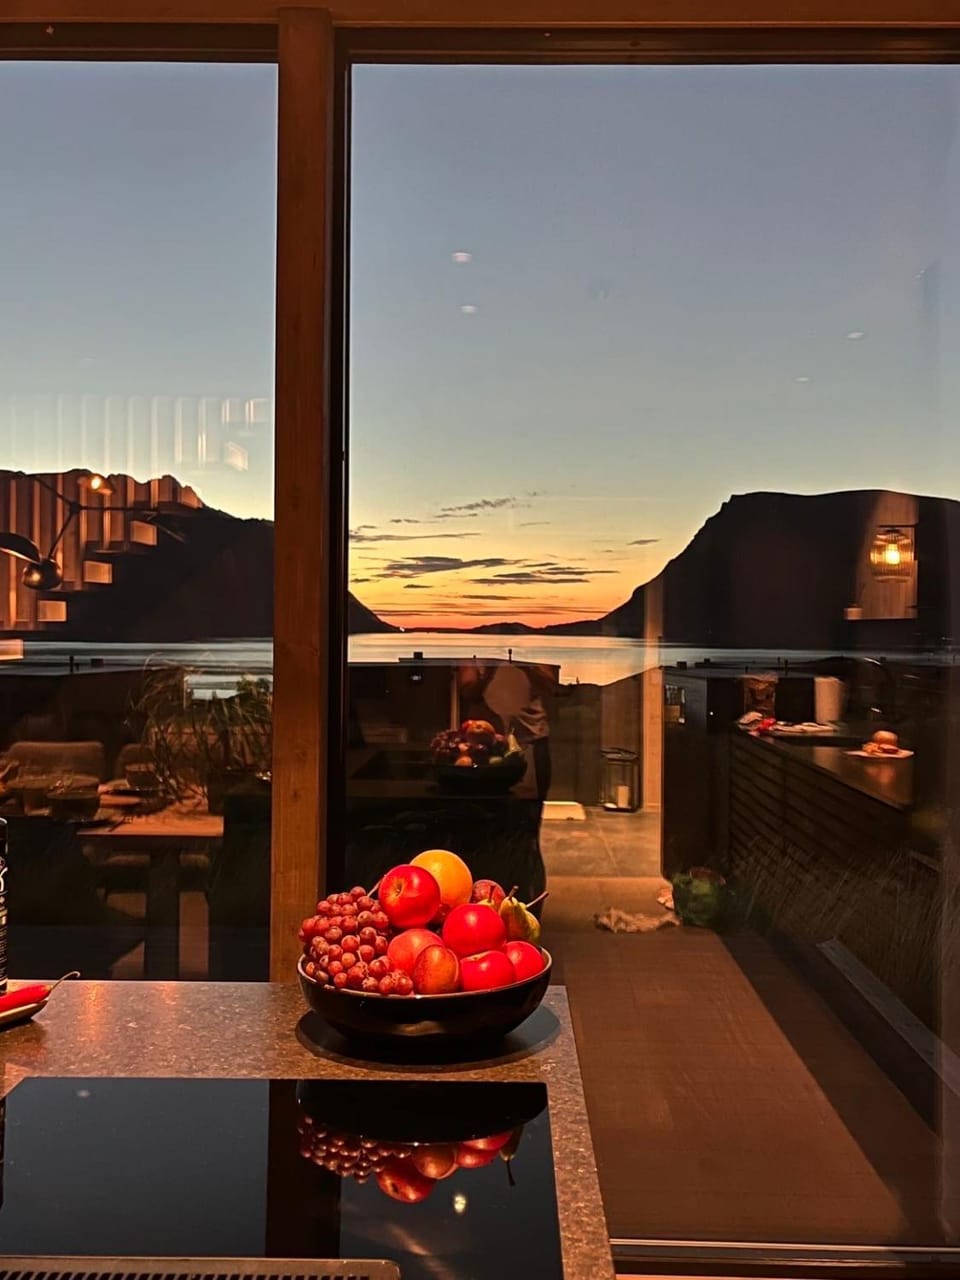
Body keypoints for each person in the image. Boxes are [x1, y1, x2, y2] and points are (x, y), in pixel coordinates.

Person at [457, 659, 557, 800]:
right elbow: (468, 693)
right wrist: (489, 672)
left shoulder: (532, 641)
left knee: (530, 807)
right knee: (484, 805)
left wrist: (527, 664)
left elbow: (551, 687)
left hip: (530, 736)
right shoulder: (475, 643)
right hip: (485, 743)